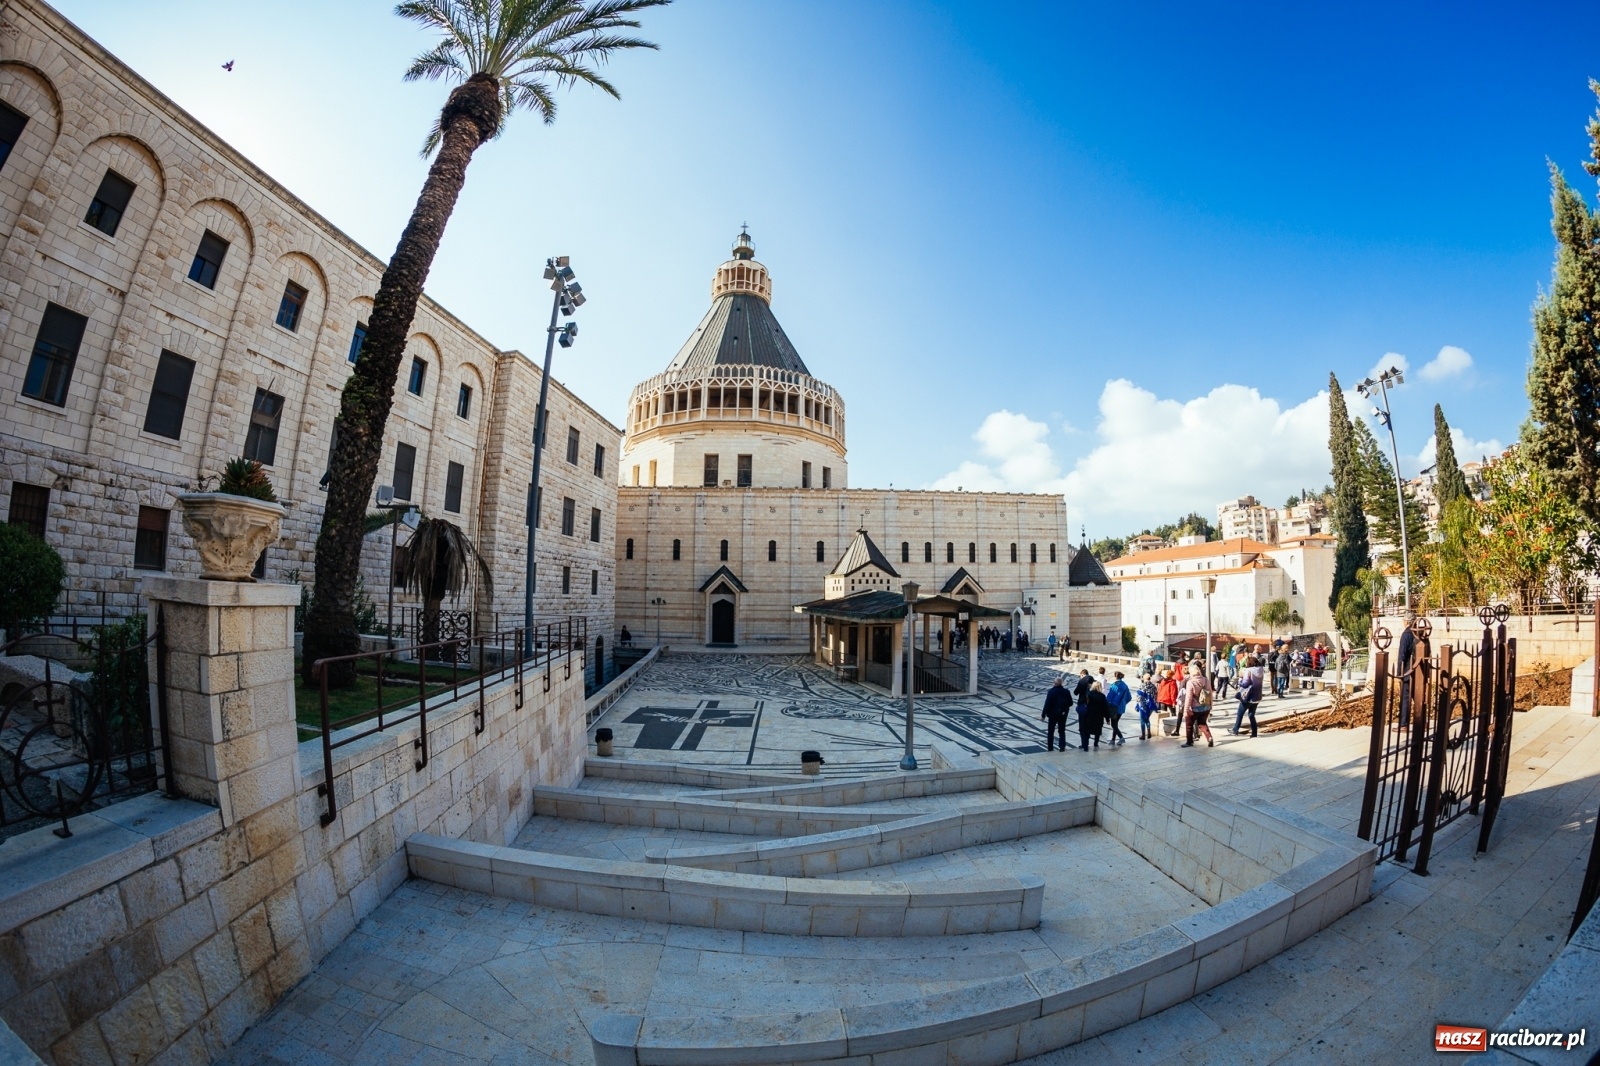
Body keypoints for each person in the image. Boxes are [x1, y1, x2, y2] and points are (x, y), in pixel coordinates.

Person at [1180, 662, 1215, 748]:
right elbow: (1210, 692)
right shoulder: (1206, 680)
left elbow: (1188, 698)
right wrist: (1211, 705)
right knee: (1202, 724)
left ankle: (1189, 742)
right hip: (1206, 706)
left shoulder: (1190, 682)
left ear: (1191, 673)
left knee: (1189, 724)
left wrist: (1185, 711)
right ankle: (1209, 738)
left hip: (1195, 708)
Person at [1232, 655, 1262, 737]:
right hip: (1257, 696)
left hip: (1248, 696)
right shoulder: (1260, 670)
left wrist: (1240, 679)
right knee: (1251, 715)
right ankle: (1254, 732)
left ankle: (1235, 730)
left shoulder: (1248, 671)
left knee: (1240, 714)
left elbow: (1245, 684)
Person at [1041, 676, 1071, 752]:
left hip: (1052, 714)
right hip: (1063, 714)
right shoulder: (1066, 692)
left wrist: (1043, 715)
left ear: (1055, 683)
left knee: (1051, 731)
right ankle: (1062, 746)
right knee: (1062, 730)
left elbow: (1047, 704)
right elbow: (1070, 703)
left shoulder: (1051, 692)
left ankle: (1050, 747)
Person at [1079, 682, 1108, 750]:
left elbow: (1082, 703)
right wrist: (1107, 718)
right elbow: (1105, 707)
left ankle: (1086, 746)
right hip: (1099, 716)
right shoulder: (1102, 696)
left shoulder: (1088, 694)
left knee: (1087, 731)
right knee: (1097, 731)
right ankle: (1095, 744)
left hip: (1089, 716)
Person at [1106, 671, 1131, 746]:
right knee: (1115, 724)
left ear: (1115, 676)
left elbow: (1110, 697)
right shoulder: (1125, 686)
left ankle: (1121, 738)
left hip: (1114, 707)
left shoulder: (1114, 685)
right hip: (1121, 708)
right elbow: (1129, 697)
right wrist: (1123, 703)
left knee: (1113, 725)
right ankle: (1113, 740)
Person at [1135, 674, 1159, 740]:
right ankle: (1149, 733)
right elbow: (1156, 695)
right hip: (1150, 705)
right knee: (1147, 718)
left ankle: (1143, 735)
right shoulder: (1153, 686)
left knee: (1142, 720)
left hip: (1143, 706)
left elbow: (1138, 696)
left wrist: (1137, 705)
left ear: (1144, 678)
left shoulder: (1141, 686)